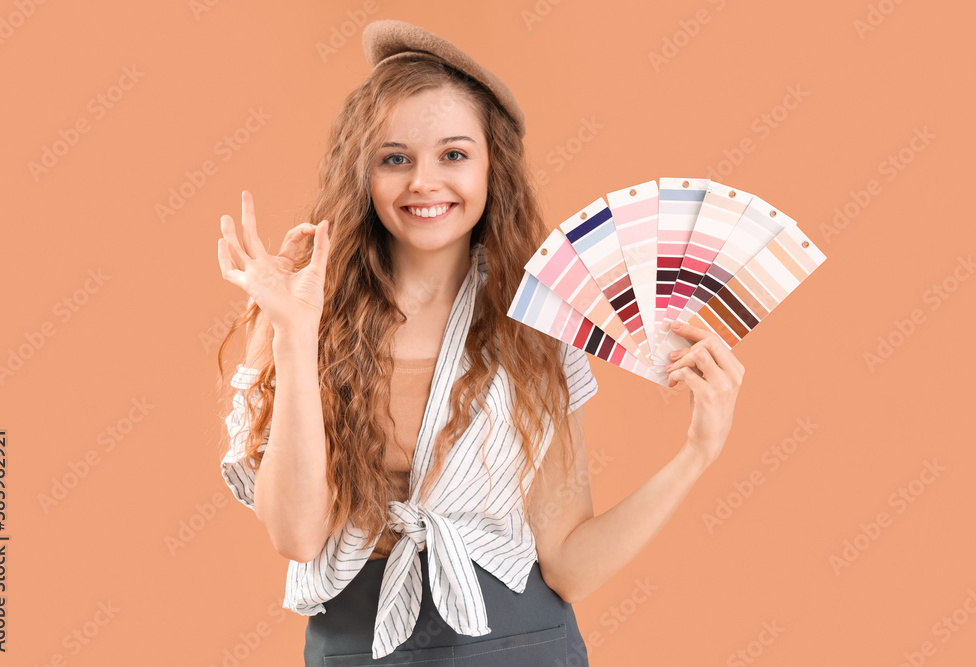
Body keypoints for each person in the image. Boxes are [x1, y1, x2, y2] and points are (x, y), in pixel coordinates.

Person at [215, 19, 744, 666]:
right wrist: (295, 338)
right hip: (359, 647)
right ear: (364, 173)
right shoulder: (297, 311)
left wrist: (697, 452)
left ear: (493, 170)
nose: (423, 182)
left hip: (520, 646)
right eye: (395, 157)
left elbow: (569, 564)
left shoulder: (539, 327)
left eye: (454, 154)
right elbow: (297, 534)